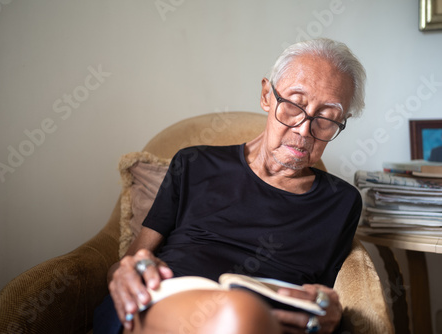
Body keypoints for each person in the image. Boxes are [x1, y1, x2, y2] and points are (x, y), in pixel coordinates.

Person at [95, 38, 366, 334]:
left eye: (326, 118)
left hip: (272, 321)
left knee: (246, 315)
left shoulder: (341, 202)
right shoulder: (194, 164)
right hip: (168, 303)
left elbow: (324, 293)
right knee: (238, 313)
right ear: (267, 95)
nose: (304, 129)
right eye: (293, 105)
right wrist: (124, 274)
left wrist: (330, 308)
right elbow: (129, 262)